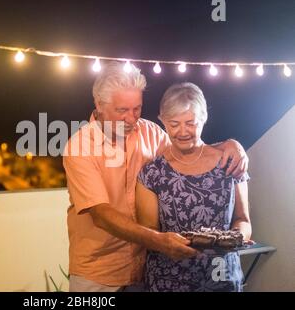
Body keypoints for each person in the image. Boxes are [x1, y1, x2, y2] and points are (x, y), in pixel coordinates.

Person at [63, 62, 249, 292]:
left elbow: (187, 147)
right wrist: (159, 241)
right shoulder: (79, 147)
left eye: (137, 109)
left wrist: (230, 145)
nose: (131, 119)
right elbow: (101, 215)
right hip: (99, 273)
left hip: (143, 268)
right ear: (99, 105)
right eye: (122, 111)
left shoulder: (149, 131)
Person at [136, 82, 252, 292]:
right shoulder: (152, 173)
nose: (182, 132)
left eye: (190, 123)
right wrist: (164, 243)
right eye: (174, 123)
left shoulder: (231, 162)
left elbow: (242, 219)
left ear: (204, 118)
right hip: (169, 280)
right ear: (162, 121)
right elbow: (149, 233)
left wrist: (238, 238)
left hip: (222, 276)